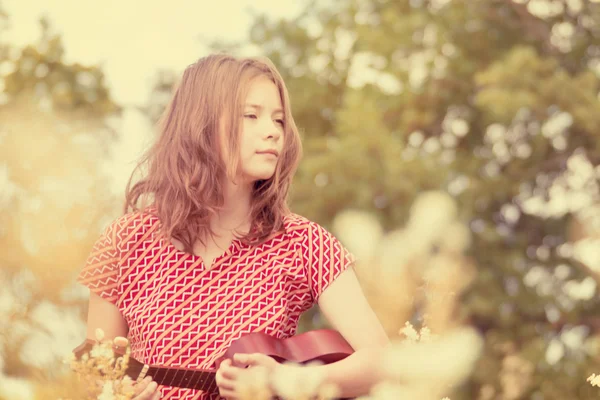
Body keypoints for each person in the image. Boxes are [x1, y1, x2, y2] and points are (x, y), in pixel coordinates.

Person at [75, 53, 389, 400]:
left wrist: (282, 381)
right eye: (251, 116)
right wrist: (115, 395)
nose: (272, 131)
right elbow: (97, 374)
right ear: (201, 124)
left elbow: (382, 362)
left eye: (279, 120)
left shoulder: (306, 243)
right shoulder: (123, 240)